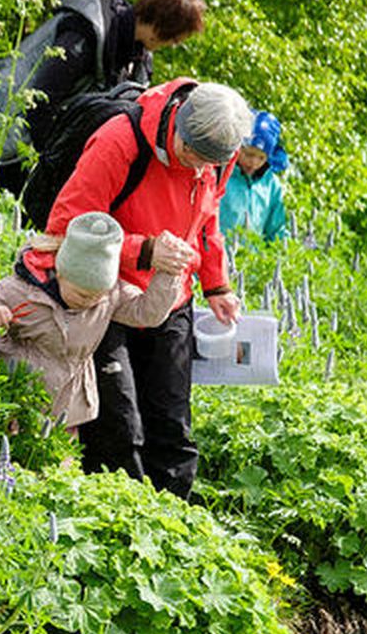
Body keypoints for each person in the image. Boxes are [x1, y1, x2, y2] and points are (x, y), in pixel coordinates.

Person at [35, 79, 251, 498]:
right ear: (181, 128)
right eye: (194, 158)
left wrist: (217, 284)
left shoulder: (217, 158)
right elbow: (67, 227)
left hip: (171, 298)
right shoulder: (120, 140)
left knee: (172, 428)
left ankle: (171, 531)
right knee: (119, 428)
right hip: (107, 298)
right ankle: (119, 524)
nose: (199, 172)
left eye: (211, 165)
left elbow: (207, 221)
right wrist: (144, 250)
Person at [0, 212, 185, 431]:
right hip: (16, 401)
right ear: (61, 273)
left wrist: (169, 273)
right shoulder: (22, 290)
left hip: (68, 409)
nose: (90, 302)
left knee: (60, 466)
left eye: (97, 296)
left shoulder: (109, 295)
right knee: (14, 463)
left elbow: (147, 313)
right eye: (82, 295)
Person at [0, 0, 206, 196]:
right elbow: (41, 100)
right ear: (160, 28)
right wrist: (53, 164)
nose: (170, 46)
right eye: (173, 39)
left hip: (46, 159)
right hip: (10, 142)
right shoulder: (87, 32)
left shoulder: (138, 61)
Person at [219, 110, 291, 243]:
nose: (254, 162)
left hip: (251, 259)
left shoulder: (271, 185)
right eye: (249, 154)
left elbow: (276, 230)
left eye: (261, 158)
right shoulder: (221, 174)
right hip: (218, 254)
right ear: (237, 147)